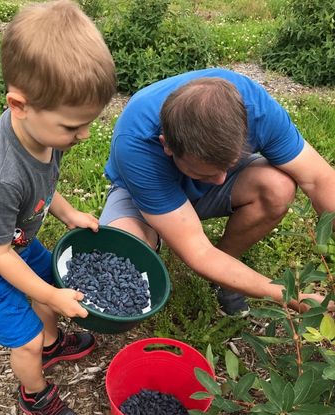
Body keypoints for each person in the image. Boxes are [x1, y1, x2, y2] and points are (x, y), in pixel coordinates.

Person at [0, 0, 116, 415]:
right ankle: (34, 391)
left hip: (10, 240)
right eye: (73, 126)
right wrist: (52, 296)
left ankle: (53, 345)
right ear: (19, 105)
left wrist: (68, 211)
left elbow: (43, 187)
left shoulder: (41, 134)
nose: (84, 135)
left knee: (49, 275)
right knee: (27, 336)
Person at [99, 68, 335, 316]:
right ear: (166, 145)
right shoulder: (135, 141)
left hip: (188, 179)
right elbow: (198, 251)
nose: (220, 180)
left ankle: (225, 270)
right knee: (123, 255)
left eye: (228, 166)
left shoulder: (255, 108)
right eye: (206, 172)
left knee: (278, 187)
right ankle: (173, 242)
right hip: (142, 191)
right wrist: (290, 296)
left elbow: (320, 179)